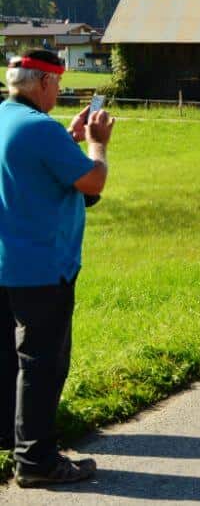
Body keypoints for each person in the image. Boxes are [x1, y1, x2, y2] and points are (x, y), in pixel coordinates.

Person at [1, 49, 113, 487]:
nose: (60, 92)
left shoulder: (9, 119)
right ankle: (36, 462)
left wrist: (66, 139)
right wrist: (97, 142)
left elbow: (33, 174)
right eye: (58, 84)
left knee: (10, 360)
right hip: (43, 266)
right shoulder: (40, 129)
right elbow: (93, 181)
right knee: (42, 364)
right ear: (45, 83)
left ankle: (14, 441)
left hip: (8, 262)